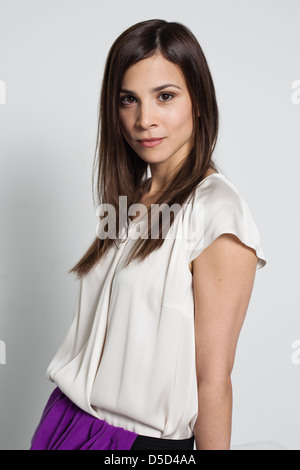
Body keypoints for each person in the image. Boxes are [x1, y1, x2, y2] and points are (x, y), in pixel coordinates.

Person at [30, 19, 267, 451]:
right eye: (129, 100)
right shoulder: (132, 199)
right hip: (65, 421)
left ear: (198, 101)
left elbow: (213, 380)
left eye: (165, 97)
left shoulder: (217, 211)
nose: (144, 120)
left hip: (135, 445)